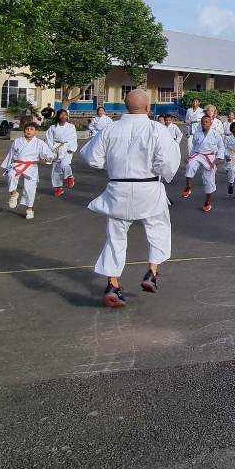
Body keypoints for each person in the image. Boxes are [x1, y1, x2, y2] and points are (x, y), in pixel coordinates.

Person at [79, 88, 180, 308]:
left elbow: (92, 157)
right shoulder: (156, 129)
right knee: (159, 228)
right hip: (149, 188)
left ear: (126, 107)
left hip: (118, 188)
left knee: (115, 237)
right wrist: (161, 173)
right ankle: (152, 271)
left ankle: (113, 284)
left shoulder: (110, 129)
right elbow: (168, 162)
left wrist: (111, 165)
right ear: (147, 107)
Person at [1, 122, 54, 219]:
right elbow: (11, 154)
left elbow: (48, 155)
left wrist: (48, 158)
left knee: (30, 189)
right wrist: (7, 166)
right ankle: (13, 194)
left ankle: (29, 209)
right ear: (24, 131)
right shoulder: (17, 141)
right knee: (11, 175)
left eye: (31, 129)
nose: (29, 131)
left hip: (31, 166)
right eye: (27, 129)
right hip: (18, 164)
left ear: (36, 131)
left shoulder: (40, 143)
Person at [182, 114, 224, 212]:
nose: (204, 124)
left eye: (206, 122)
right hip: (198, 154)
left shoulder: (216, 134)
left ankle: (207, 202)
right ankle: (188, 187)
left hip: (210, 157)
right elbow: (194, 147)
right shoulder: (197, 134)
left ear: (211, 123)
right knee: (190, 165)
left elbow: (221, 147)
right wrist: (189, 156)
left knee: (209, 181)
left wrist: (219, 158)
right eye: (202, 122)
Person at [45, 109, 78, 197]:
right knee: (56, 169)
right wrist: (51, 149)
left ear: (67, 116)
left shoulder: (71, 127)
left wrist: (71, 148)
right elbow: (48, 139)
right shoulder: (52, 127)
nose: (63, 116)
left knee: (64, 164)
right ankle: (58, 188)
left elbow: (74, 138)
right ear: (58, 116)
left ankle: (69, 175)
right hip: (56, 148)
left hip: (67, 148)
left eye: (65, 115)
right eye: (61, 115)